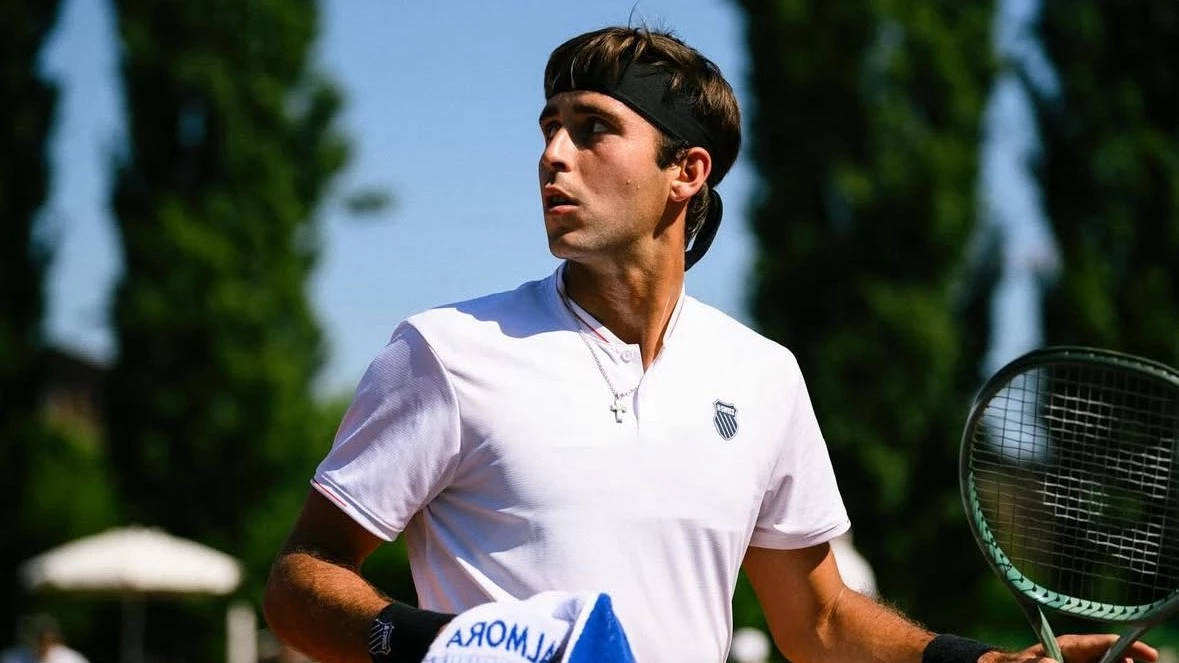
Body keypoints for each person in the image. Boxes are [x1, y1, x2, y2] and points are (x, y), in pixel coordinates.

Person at [262, 25, 1158, 663]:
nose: (553, 155)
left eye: (592, 128)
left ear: (685, 172)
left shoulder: (763, 376)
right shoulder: (445, 351)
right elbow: (301, 578)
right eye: (548, 128)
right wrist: (448, 647)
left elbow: (819, 621)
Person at [0, 614, 89, 663]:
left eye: (47, 640)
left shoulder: (71, 659)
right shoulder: (11, 657)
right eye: (39, 639)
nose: (43, 645)